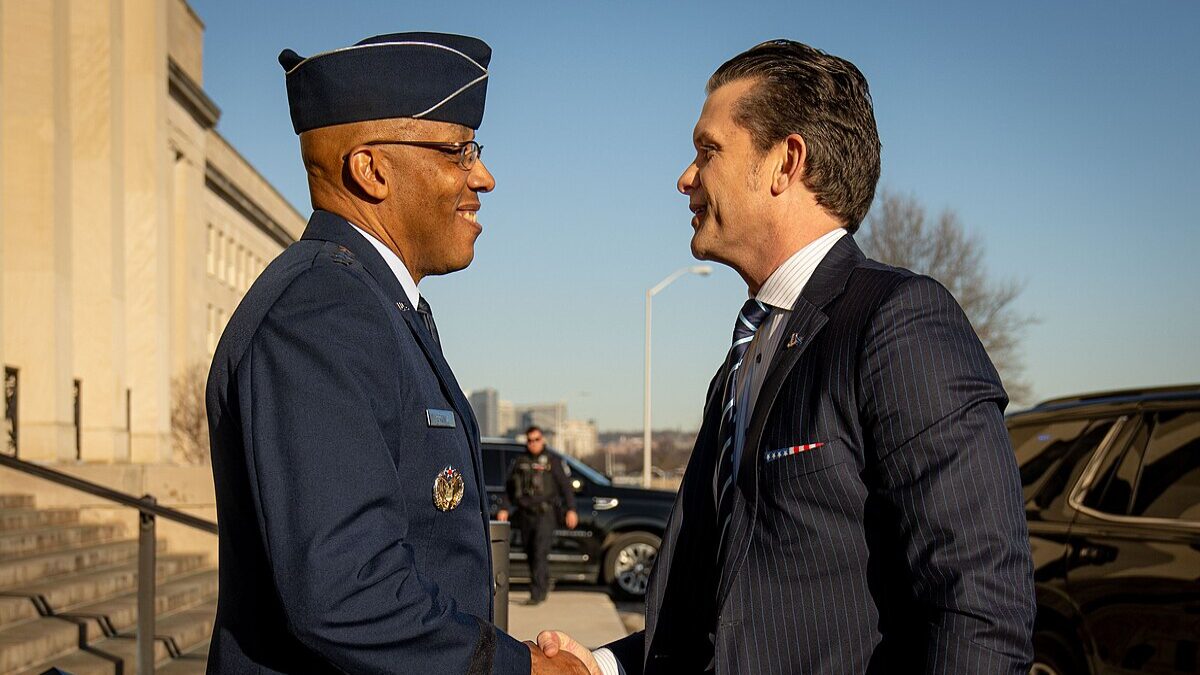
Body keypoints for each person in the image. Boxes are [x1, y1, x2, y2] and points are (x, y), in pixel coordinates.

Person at [539, 39, 1035, 674]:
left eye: (707, 151)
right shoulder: (748, 355)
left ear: (785, 163)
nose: (685, 178)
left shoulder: (899, 322)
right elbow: (730, 618)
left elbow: (979, 606)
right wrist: (601, 668)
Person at [206, 32, 585, 674]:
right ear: (372, 169)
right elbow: (347, 589)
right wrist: (520, 670)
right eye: (459, 151)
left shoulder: (368, 300)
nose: (483, 176)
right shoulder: (323, 311)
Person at [497, 426, 579, 605]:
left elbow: (566, 487)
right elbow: (509, 489)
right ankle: (542, 583)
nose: (533, 443)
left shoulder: (552, 461)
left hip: (545, 514)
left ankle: (537, 592)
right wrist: (504, 507)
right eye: (530, 440)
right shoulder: (520, 461)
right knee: (530, 552)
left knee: (539, 552)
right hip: (525, 515)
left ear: (543, 440)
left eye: (537, 439)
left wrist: (571, 509)